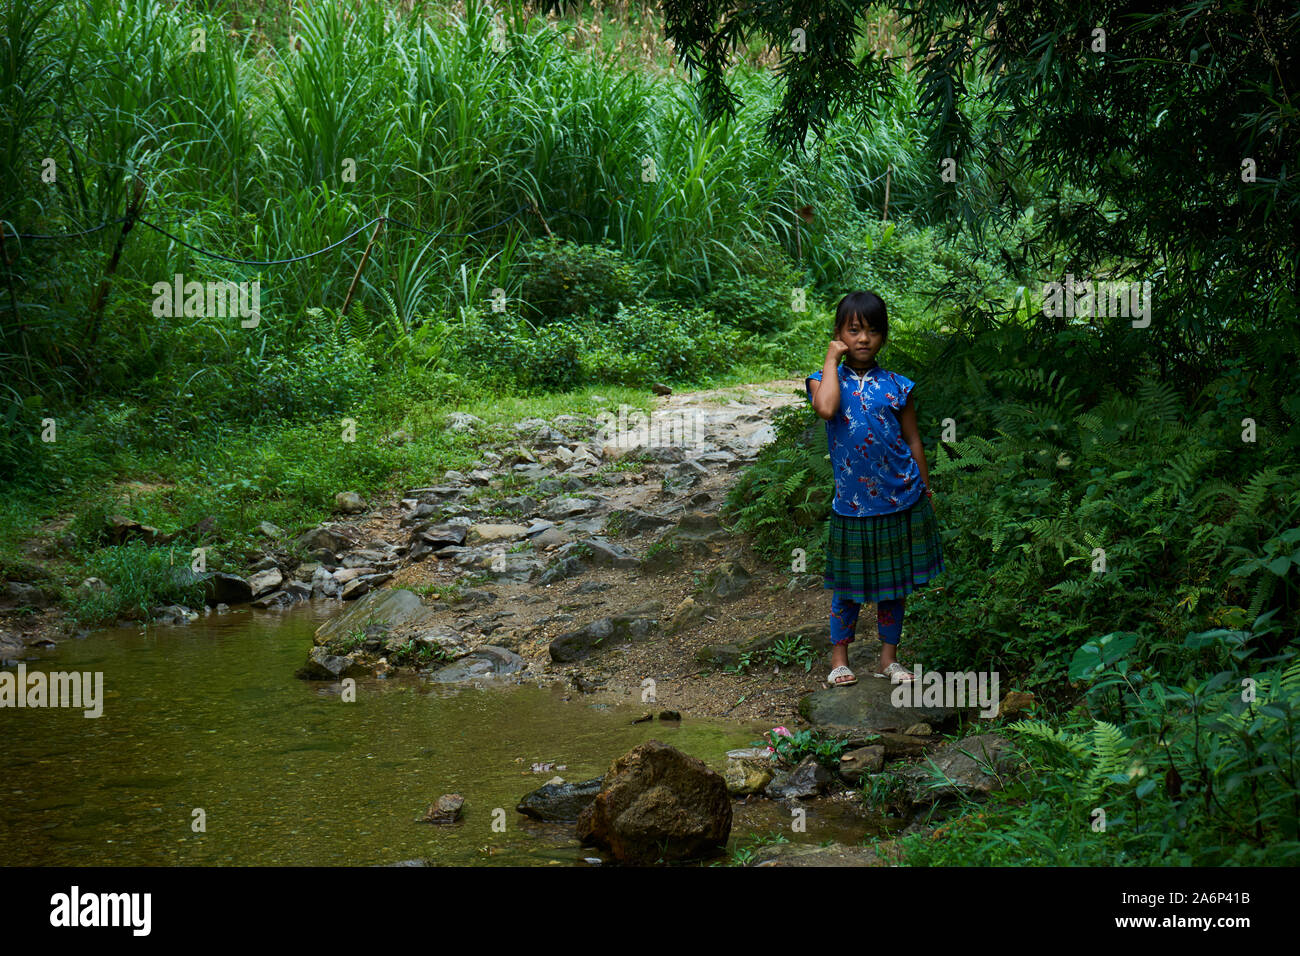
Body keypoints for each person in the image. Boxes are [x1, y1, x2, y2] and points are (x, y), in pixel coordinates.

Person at [805, 291, 944, 686]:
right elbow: (828, 409)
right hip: (852, 504)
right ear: (838, 334)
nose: (863, 339)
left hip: (899, 498)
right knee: (846, 588)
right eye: (853, 330)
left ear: (883, 336)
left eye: (872, 331)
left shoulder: (897, 386)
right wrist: (831, 360)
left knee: (894, 586)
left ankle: (888, 660)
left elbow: (913, 440)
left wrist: (926, 488)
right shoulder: (821, 381)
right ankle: (839, 661)